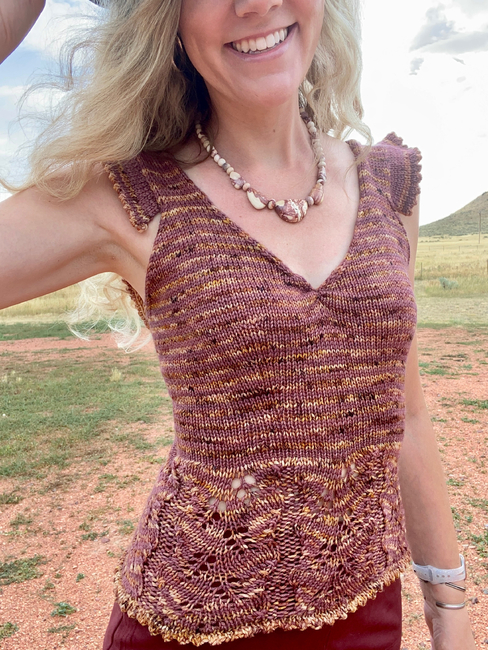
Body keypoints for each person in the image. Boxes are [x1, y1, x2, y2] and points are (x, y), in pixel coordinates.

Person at [0, 1, 477, 649]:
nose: (254, 2)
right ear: (168, 20)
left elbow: (405, 412)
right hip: (189, 623)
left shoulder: (389, 183)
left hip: (366, 618)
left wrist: (448, 604)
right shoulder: (130, 198)